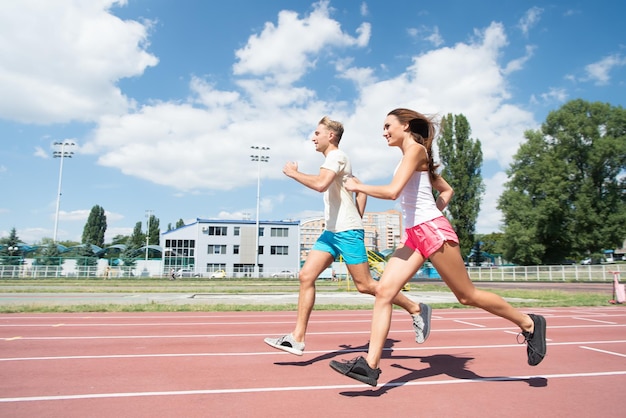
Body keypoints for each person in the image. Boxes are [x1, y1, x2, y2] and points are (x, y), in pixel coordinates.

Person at [330, 108, 547, 386]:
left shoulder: (416, 151)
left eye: (387, 126)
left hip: (432, 230)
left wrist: (359, 185)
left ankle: (529, 323)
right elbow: (446, 190)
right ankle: (369, 366)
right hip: (414, 235)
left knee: (466, 295)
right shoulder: (409, 158)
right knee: (384, 292)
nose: (384, 132)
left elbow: (392, 192)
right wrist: (430, 210)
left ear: (405, 125)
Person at [264, 116, 431, 356]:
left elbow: (321, 184)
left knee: (365, 286)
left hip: (346, 233)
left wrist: (293, 174)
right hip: (331, 233)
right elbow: (361, 191)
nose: (313, 137)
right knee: (306, 275)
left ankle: (416, 308)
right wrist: (356, 215)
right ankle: (297, 338)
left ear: (330, 136)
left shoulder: (337, 157)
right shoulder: (335, 161)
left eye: (317, 133)